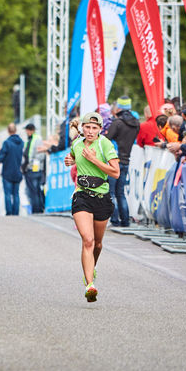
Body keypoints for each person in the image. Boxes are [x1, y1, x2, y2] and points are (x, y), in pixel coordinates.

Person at [64, 111, 119, 302]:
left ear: (100, 129)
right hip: (82, 195)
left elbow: (116, 172)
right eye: (87, 127)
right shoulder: (77, 144)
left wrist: (94, 160)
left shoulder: (104, 144)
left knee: (97, 243)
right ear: (83, 128)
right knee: (87, 240)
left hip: (102, 197)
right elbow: (71, 156)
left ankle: (91, 267)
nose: (90, 131)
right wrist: (69, 160)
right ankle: (90, 285)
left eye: (94, 128)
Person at [105, 96, 140, 227]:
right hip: (126, 160)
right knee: (121, 192)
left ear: (119, 107)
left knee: (111, 192)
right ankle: (125, 221)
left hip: (115, 160)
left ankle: (114, 220)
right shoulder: (136, 123)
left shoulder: (117, 123)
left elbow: (107, 139)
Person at [0, 122, 24, 216]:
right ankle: (16, 213)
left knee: (7, 194)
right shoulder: (21, 142)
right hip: (18, 171)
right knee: (16, 194)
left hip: (7, 172)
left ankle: (9, 213)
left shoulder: (7, 143)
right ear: (16, 130)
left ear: (8, 131)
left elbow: (1, 156)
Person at [23, 122, 45, 214]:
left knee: (34, 190)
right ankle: (37, 208)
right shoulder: (29, 140)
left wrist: (31, 164)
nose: (26, 132)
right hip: (30, 168)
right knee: (35, 190)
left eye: (27, 130)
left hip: (34, 169)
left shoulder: (36, 139)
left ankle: (37, 210)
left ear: (30, 130)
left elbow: (40, 155)